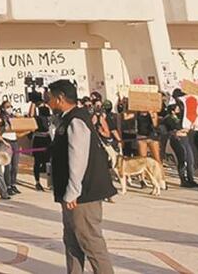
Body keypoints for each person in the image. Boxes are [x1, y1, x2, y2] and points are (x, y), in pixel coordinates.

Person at [47, 79, 116, 274]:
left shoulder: (76, 120)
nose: (48, 102)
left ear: (60, 98)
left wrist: (73, 191)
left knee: (90, 241)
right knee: (72, 241)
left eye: (50, 98)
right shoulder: (66, 118)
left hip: (83, 194)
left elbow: (78, 156)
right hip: (73, 193)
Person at [0, 100, 21, 195]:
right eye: (7, 106)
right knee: (8, 165)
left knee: (15, 165)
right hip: (6, 141)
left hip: (14, 141)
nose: (9, 108)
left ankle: (13, 183)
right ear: (3, 108)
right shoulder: (1, 118)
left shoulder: (13, 117)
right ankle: (7, 185)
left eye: (10, 106)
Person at [29, 95, 53, 191]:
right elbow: (31, 115)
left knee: (48, 161)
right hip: (39, 139)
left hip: (46, 139)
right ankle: (38, 182)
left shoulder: (49, 118)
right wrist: (33, 103)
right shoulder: (38, 118)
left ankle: (50, 181)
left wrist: (46, 102)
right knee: (38, 162)